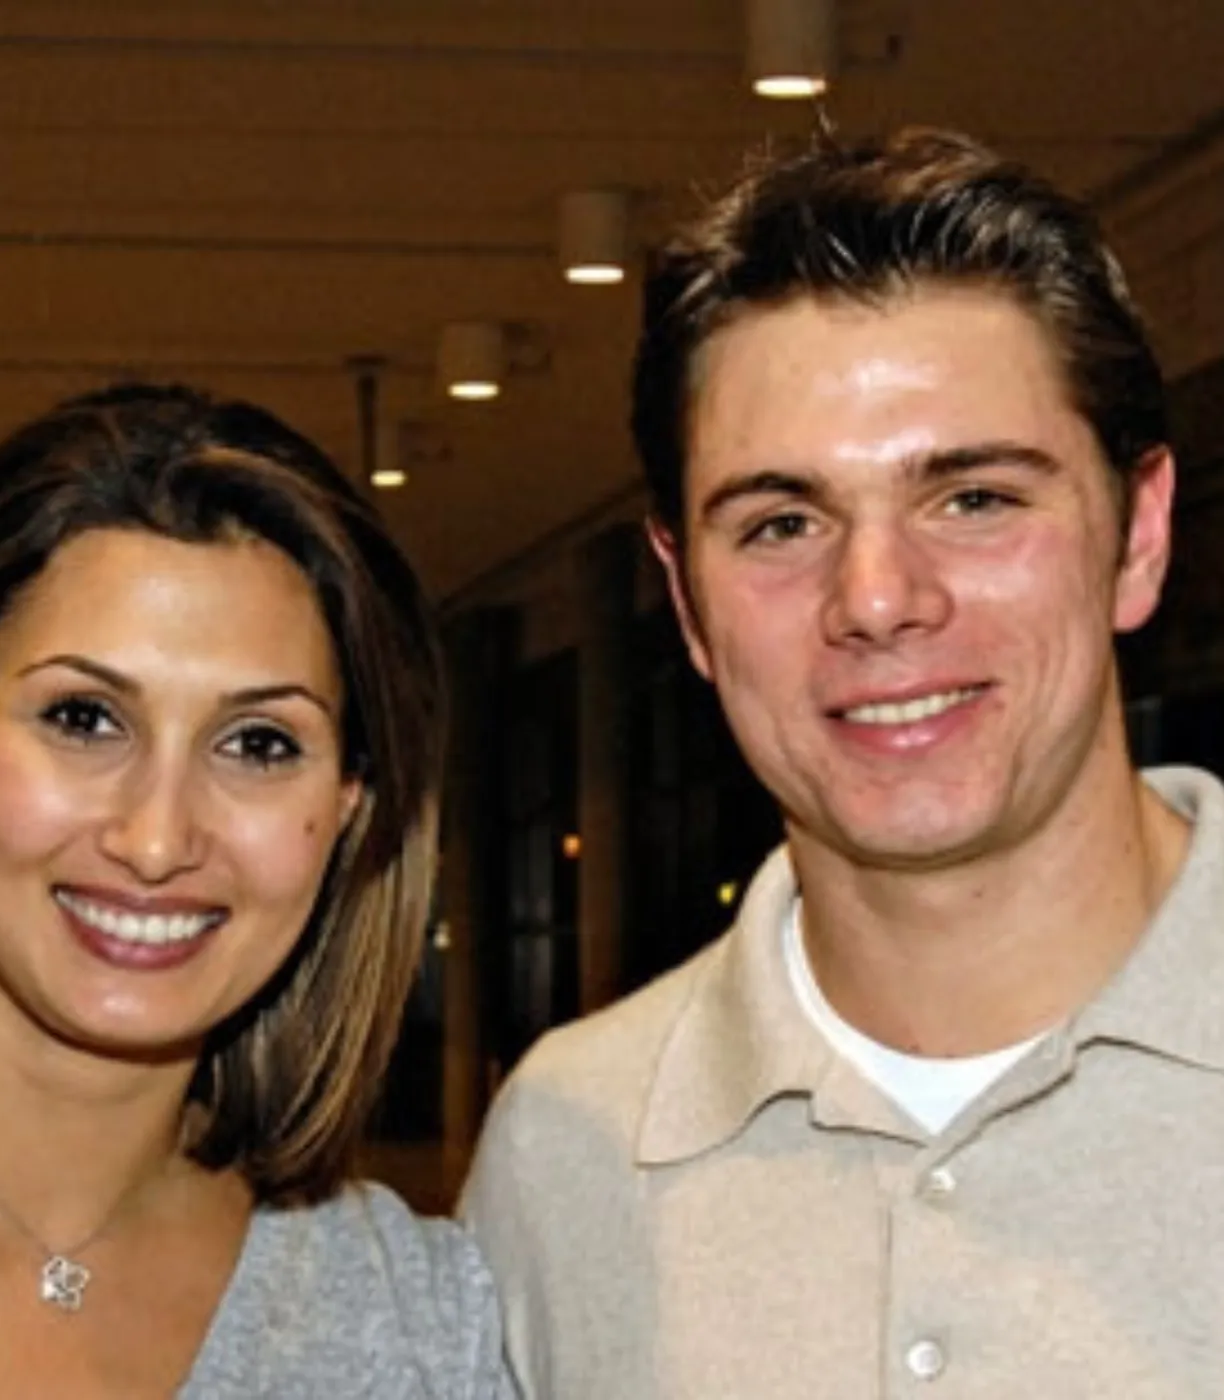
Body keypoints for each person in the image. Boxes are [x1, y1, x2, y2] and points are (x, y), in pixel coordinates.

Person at [461, 127, 1224, 1397]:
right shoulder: (567, 1151)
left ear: (1137, 535)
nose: (874, 598)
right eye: (780, 522)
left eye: (973, 498)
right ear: (686, 604)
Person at [0, 383, 510, 1396]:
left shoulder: (414, 1314)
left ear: (348, 805)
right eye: (83, 718)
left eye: (258, 743)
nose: (155, 840)